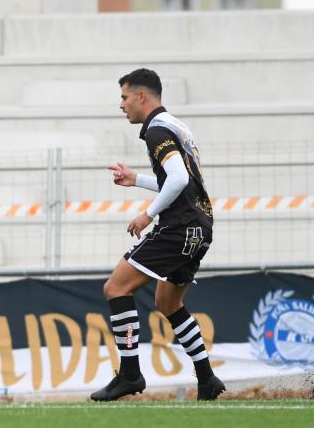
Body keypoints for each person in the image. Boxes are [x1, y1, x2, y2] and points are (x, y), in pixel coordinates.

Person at [90, 68, 225, 402]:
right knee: (167, 301)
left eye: (124, 97)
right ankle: (207, 380)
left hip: (178, 227)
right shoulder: (177, 126)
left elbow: (177, 179)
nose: (121, 104)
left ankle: (131, 374)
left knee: (115, 287)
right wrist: (136, 180)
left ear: (141, 96)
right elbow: (181, 179)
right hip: (200, 228)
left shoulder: (156, 130)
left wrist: (147, 214)